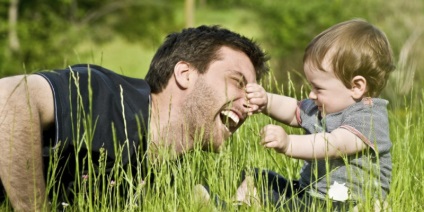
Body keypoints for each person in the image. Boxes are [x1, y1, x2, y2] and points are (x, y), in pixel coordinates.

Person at [0, 25, 270, 211]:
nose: (250, 103)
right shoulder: (108, 98)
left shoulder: (174, 173)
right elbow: (9, 97)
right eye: (238, 82)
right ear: (185, 74)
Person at [242, 19, 395, 210]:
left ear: (356, 87)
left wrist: (289, 144)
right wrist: (267, 101)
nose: (311, 94)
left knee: (289, 205)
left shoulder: (368, 118)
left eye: (318, 88)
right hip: (310, 191)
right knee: (257, 176)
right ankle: (242, 196)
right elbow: (294, 109)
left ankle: (228, 203)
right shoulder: (325, 106)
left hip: (345, 202)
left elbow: (333, 144)